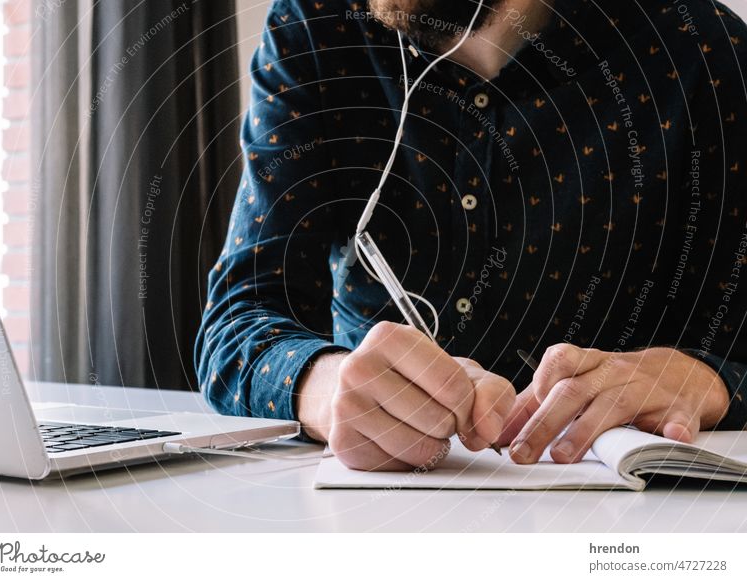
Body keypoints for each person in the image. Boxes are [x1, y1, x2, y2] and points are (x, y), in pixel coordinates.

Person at [195, 0, 747, 471]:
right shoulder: (318, 22)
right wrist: (326, 387)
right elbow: (238, 319)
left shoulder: (703, 52)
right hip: (368, 522)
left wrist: (711, 381)